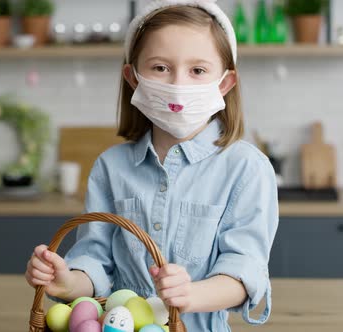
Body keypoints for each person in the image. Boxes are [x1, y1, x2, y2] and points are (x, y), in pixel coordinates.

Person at [26, 1, 278, 330]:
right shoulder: (110, 166)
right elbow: (97, 259)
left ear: (225, 83)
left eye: (198, 70)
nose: (178, 85)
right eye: (160, 68)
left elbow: (246, 269)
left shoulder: (247, 169)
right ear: (133, 77)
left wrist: (191, 294)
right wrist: (67, 282)